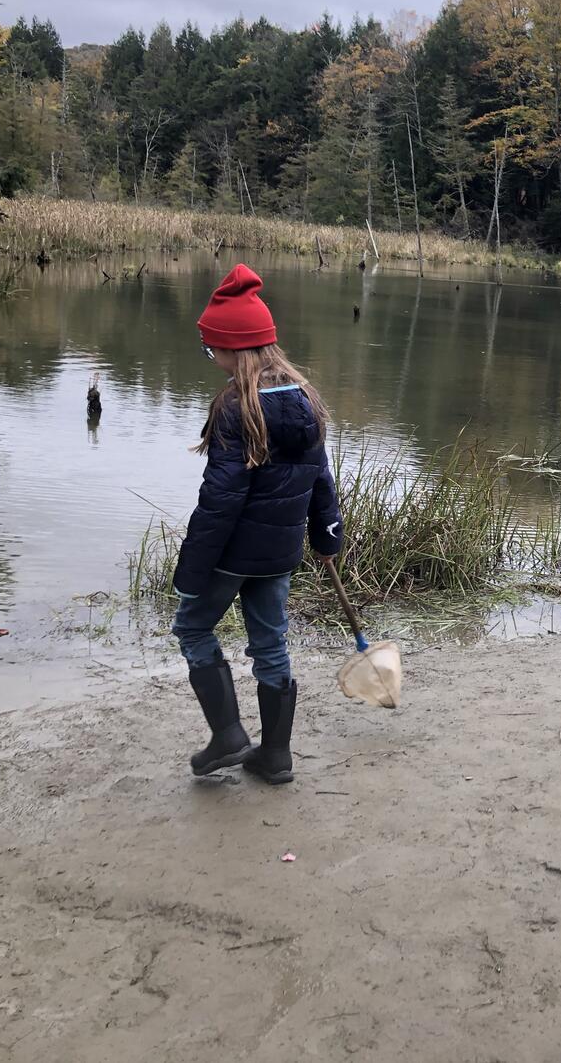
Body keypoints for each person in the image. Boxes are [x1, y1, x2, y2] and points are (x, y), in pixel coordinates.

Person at [172, 264, 342, 785]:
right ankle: (276, 757)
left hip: (233, 554)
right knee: (271, 643)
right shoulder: (305, 398)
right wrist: (326, 536)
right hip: (280, 553)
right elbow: (320, 478)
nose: (211, 358)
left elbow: (220, 501)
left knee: (193, 627)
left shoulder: (234, 406)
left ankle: (228, 735)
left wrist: (191, 569)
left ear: (232, 349)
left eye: (211, 349)